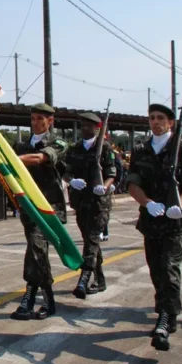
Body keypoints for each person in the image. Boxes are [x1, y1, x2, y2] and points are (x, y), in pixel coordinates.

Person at [127, 103, 182, 351]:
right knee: (156, 270)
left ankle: (166, 318)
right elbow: (133, 184)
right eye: (151, 118)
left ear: (171, 123)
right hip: (151, 221)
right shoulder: (140, 150)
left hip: (176, 223)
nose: (155, 122)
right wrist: (146, 203)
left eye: (160, 118)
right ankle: (167, 309)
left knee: (168, 267)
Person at [11, 103, 68, 321]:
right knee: (36, 250)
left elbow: (40, 158)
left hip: (48, 206)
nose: (35, 122)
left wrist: (11, 160)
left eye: (40, 119)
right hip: (28, 206)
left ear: (50, 121)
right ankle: (45, 298)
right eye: (33, 118)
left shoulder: (59, 142)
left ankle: (33, 295)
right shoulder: (22, 145)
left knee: (36, 247)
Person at [64, 112, 117, 299]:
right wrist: (71, 181)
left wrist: (105, 187)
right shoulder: (74, 148)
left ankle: (84, 277)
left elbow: (112, 173)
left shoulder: (105, 148)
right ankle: (100, 279)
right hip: (81, 202)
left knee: (93, 239)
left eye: (90, 126)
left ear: (97, 128)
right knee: (90, 242)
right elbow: (66, 172)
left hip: (99, 203)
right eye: (83, 126)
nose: (85, 129)